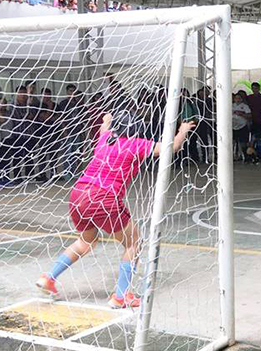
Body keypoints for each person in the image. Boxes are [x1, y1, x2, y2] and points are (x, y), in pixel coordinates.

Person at [36, 111, 195, 308]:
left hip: (78, 193)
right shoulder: (136, 144)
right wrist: (182, 130)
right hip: (103, 197)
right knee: (134, 243)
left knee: (86, 241)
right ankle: (121, 296)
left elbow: (104, 128)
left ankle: (48, 277)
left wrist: (106, 120)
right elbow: (172, 147)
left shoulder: (106, 139)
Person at [232, 91, 252, 161]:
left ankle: (246, 157)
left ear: (241, 99)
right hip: (233, 127)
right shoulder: (231, 106)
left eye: (239, 98)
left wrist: (241, 114)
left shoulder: (245, 106)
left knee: (243, 144)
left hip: (242, 126)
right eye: (236, 98)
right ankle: (233, 157)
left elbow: (249, 115)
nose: (237, 99)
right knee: (233, 143)